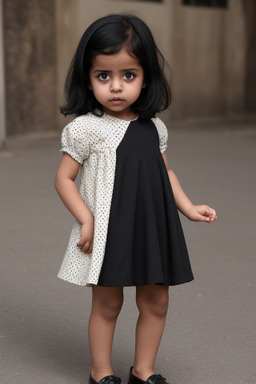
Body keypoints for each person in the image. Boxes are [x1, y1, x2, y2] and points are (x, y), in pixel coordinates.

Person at [54, 13, 217, 384]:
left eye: (128, 75)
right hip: (110, 231)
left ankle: (143, 370)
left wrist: (188, 207)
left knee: (156, 301)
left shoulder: (154, 126)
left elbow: (166, 172)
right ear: (88, 78)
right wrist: (86, 218)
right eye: (103, 76)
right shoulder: (86, 128)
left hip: (152, 227)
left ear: (145, 79)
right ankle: (102, 372)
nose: (116, 87)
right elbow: (63, 179)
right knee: (108, 303)